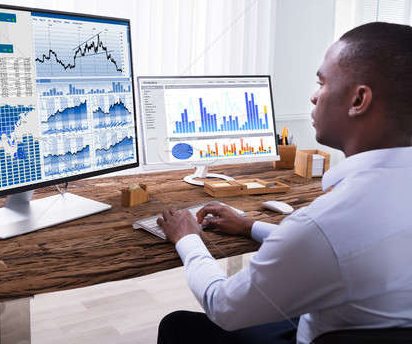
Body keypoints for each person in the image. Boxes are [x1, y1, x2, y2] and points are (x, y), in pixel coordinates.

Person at [156, 22, 412, 344]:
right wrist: (251, 226)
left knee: (178, 326)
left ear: (358, 100)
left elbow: (224, 307)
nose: (314, 96)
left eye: (322, 83)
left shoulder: (325, 221)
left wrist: (187, 238)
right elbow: (338, 248)